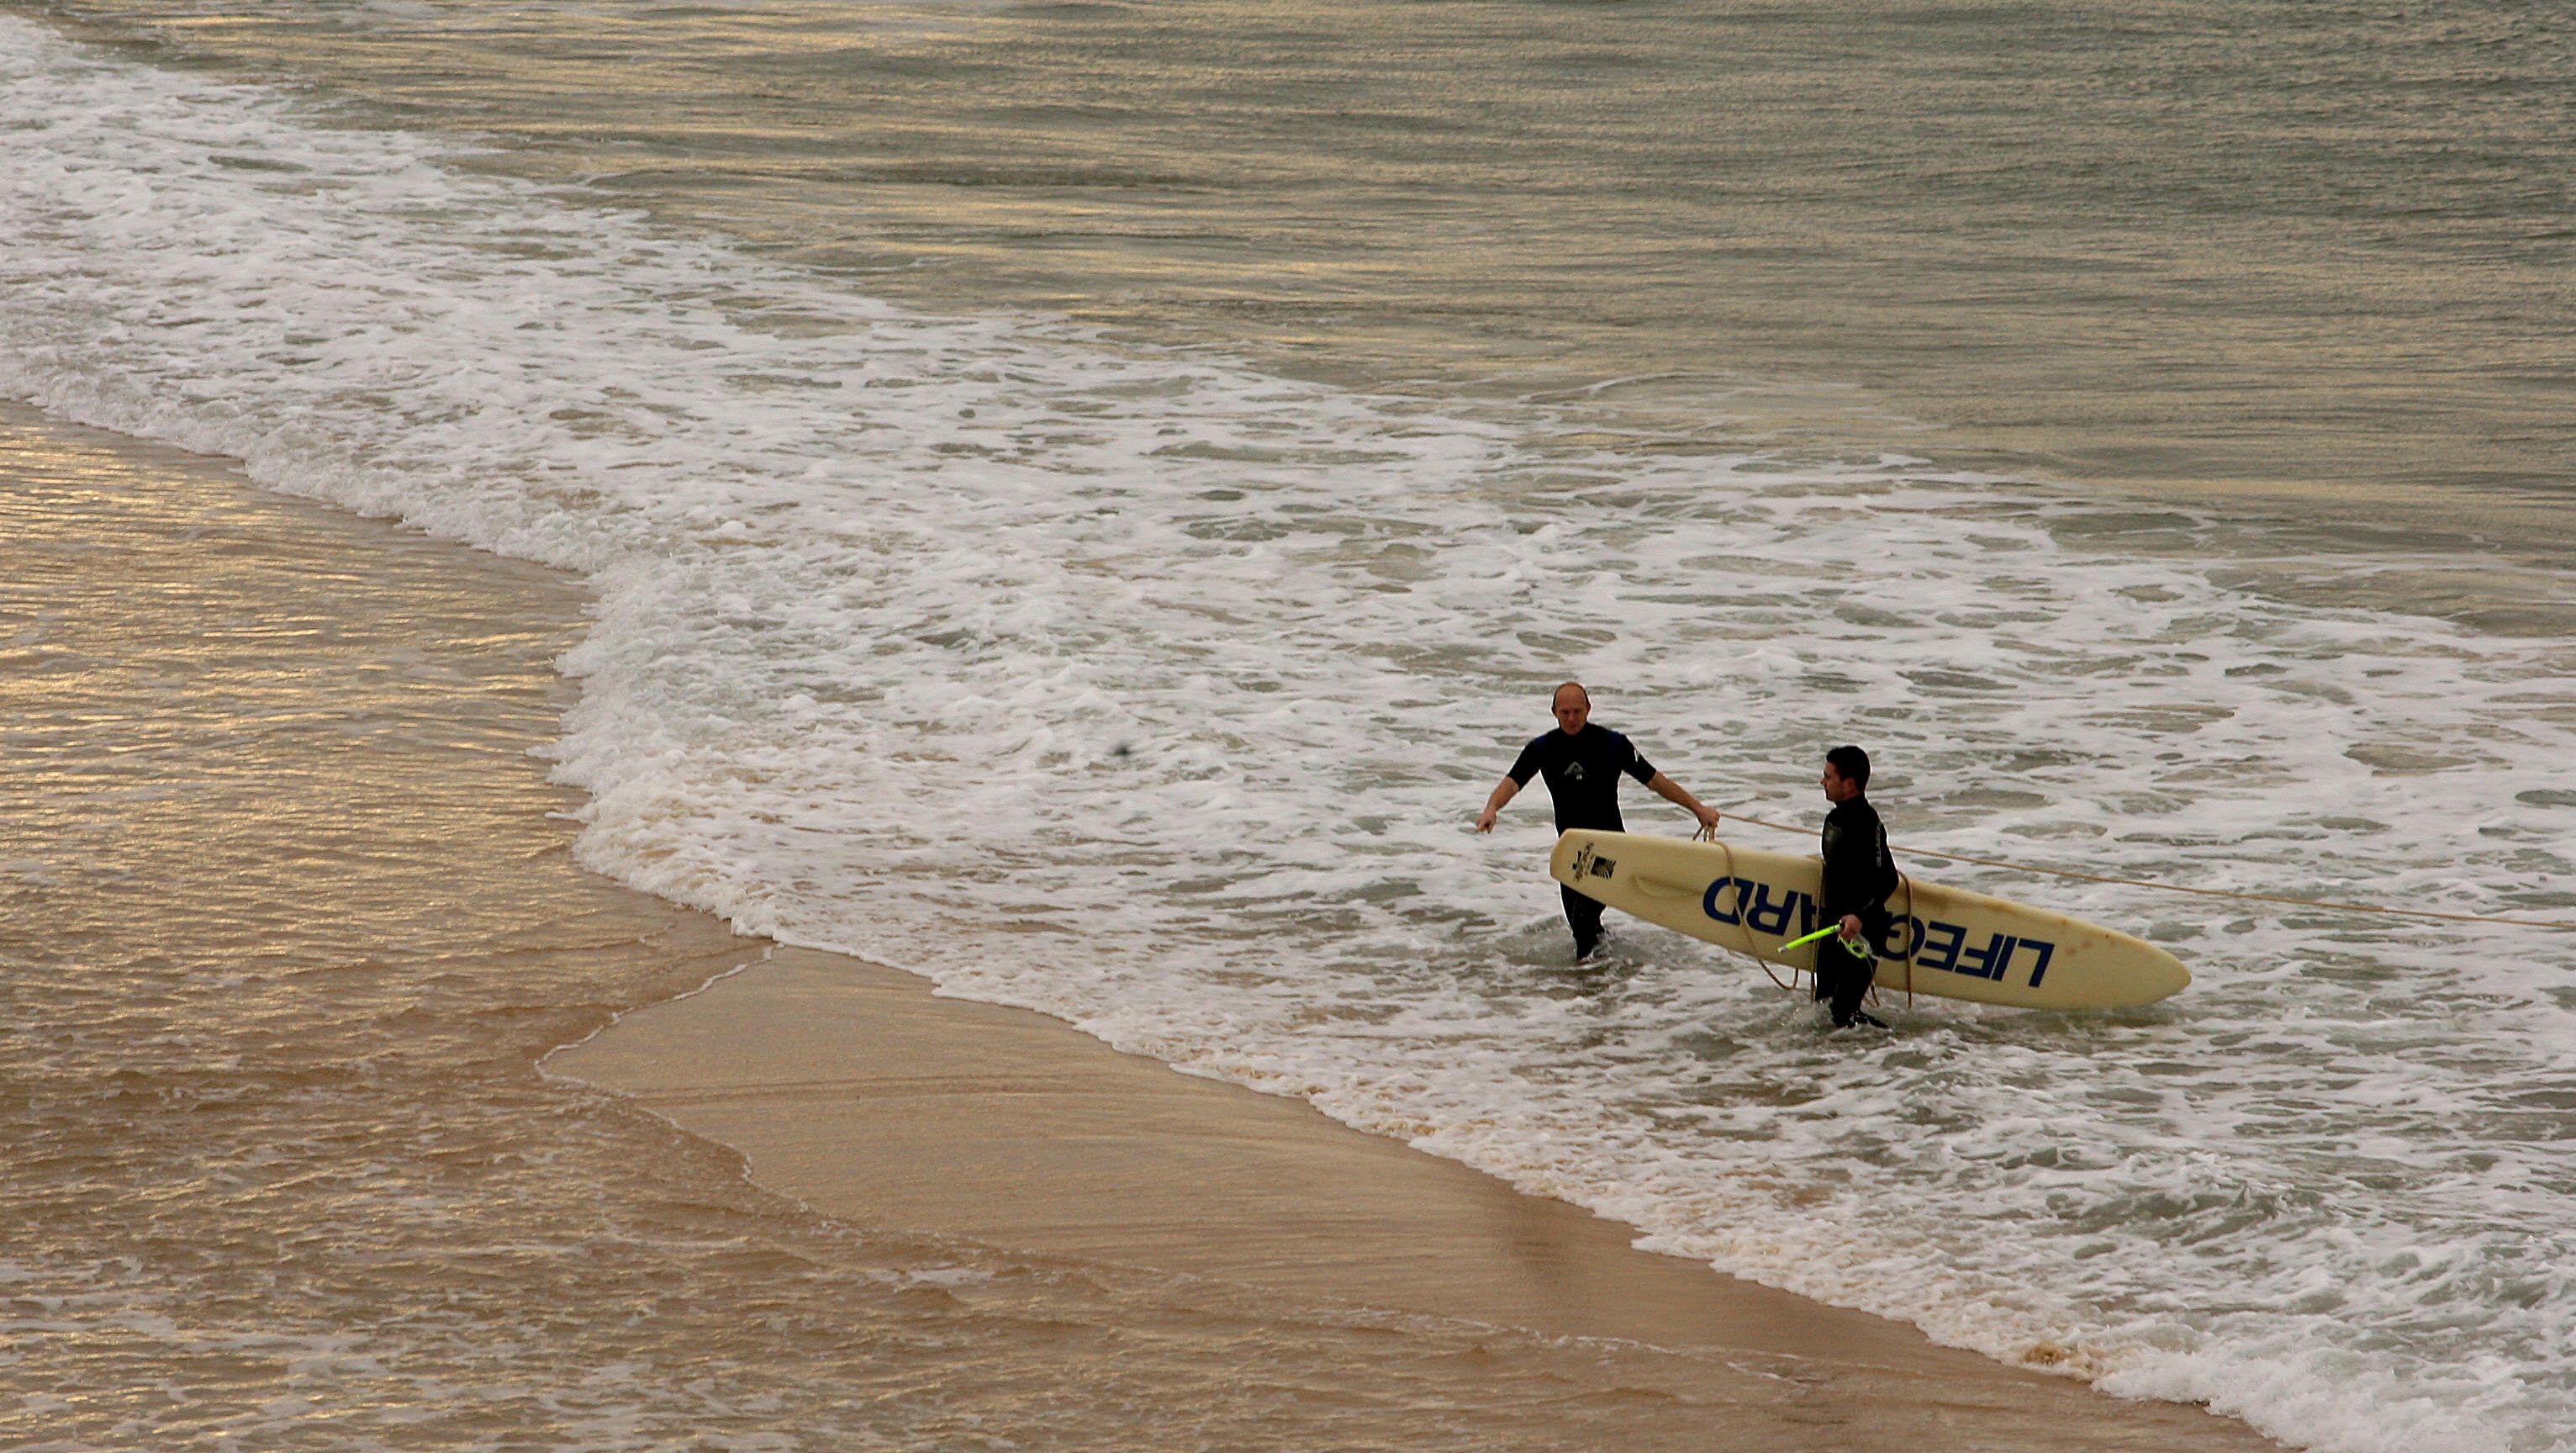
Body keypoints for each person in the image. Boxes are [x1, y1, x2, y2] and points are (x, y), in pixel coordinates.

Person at [1475, 682, 1723, 959]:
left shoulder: (1612, 744)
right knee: (1582, 927)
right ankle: (1606, 983)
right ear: (1554, 712)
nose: (1571, 718)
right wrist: (1492, 808)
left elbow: (1655, 781)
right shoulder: (1543, 748)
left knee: (1583, 921)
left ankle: (1587, 989)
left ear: (1589, 710)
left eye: (1577, 711)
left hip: (1611, 849)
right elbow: (1512, 782)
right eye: (1565, 712)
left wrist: (1697, 808)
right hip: (1574, 850)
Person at [1815, 744, 1898, 1029]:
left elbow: (1888, 879)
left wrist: (1859, 917)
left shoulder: (1867, 822)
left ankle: (1894, 1049)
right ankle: (1834, 1070)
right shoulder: (1835, 817)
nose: (1822, 782)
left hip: (1863, 931)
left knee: (1843, 1014)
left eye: (1828, 777)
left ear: (1849, 784)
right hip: (1833, 926)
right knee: (1823, 1008)